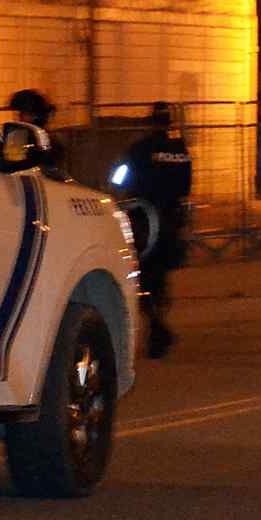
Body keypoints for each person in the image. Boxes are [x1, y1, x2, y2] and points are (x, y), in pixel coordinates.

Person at [112, 102, 192, 358]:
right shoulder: (180, 149)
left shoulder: (139, 149)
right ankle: (159, 325)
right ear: (169, 122)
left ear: (150, 122)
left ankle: (156, 327)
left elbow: (119, 179)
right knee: (162, 275)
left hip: (144, 219)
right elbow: (187, 184)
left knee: (145, 275)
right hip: (171, 218)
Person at [6, 88, 70, 180]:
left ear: (35, 115)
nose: (18, 118)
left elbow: (51, 171)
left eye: (23, 113)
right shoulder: (19, 136)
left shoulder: (47, 140)